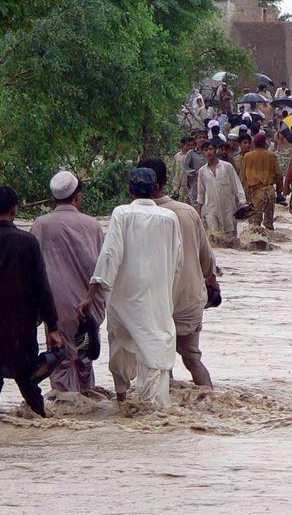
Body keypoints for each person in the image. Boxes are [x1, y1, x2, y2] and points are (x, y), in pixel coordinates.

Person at [78, 169, 182, 405]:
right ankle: (153, 409)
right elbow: (178, 261)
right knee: (154, 352)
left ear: (129, 190)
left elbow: (110, 255)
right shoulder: (169, 217)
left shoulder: (121, 214)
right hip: (157, 299)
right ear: (156, 190)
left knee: (120, 347)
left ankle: (122, 398)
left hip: (124, 298)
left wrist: (91, 295)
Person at [0, 185, 63, 418]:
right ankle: (42, 430)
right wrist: (52, 326)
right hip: (21, 330)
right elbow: (42, 288)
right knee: (29, 385)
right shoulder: (28, 242)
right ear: (14, 210)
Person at [138, 158, 218, 388]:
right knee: (193, 360)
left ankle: (166, 416)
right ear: (164, 182)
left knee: (160, 365)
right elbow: (207, 260)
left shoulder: (137, 217)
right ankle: (209, 402)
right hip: (191, 301)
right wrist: (211, 282)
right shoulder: (188, 212)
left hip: (157, 303)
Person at [29, 172, 106, 395]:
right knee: (84, 360)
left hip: (55, 306)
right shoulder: (92, 225)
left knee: (60, 361)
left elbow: (33, 268)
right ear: (78, 197)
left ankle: (65, 417)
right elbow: (102, 267)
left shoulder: (41, 225)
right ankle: (87, 413)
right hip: (88, 306)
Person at [196, 140, 248, 236]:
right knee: (215, 237)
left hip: (228, 208)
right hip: (211, 209)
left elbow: (237, 185)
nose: (208, 152)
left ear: (216, 150)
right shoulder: (202, 171)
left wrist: (243, 202)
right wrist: (198, 212)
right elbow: (201, 193)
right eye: (206, 150)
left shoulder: (227, 167)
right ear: (203, 152)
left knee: (230, 237)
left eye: (211, 149)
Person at [243, 133, 283, 230]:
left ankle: (257, 243)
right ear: (265, 143)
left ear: (254, 143)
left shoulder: (247, 156)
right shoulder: (271, 156)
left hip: (256, 193)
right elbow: (279, 175)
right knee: (269, 224)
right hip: (270, 192)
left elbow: (244, 177)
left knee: (254, 225)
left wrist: (245, 197)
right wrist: (279, 192)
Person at [184, 131, 207, 206]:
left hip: (209, 184)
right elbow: (185, 168)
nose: (202, 139)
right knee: (196, 206)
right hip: (195, 185)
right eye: (200, 137)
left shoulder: (210, 151)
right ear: (196, 140)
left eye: (204, 137)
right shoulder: (191, 153)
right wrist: (194, 172)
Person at [171, 136, 192, 201]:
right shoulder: (177, 156)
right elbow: (174, 170)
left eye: (192, 145)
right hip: (177, 186)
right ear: (183, 145)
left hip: (188, 187)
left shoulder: (192, 156)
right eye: (188, 145)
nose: (190, 147)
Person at [233, 133, 252, 201]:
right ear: (239, 144)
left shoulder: (254, 158)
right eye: (245, 143)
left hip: (252, 191)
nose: (247, 145)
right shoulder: (235, 159)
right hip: (239, 191)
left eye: (249, 143)